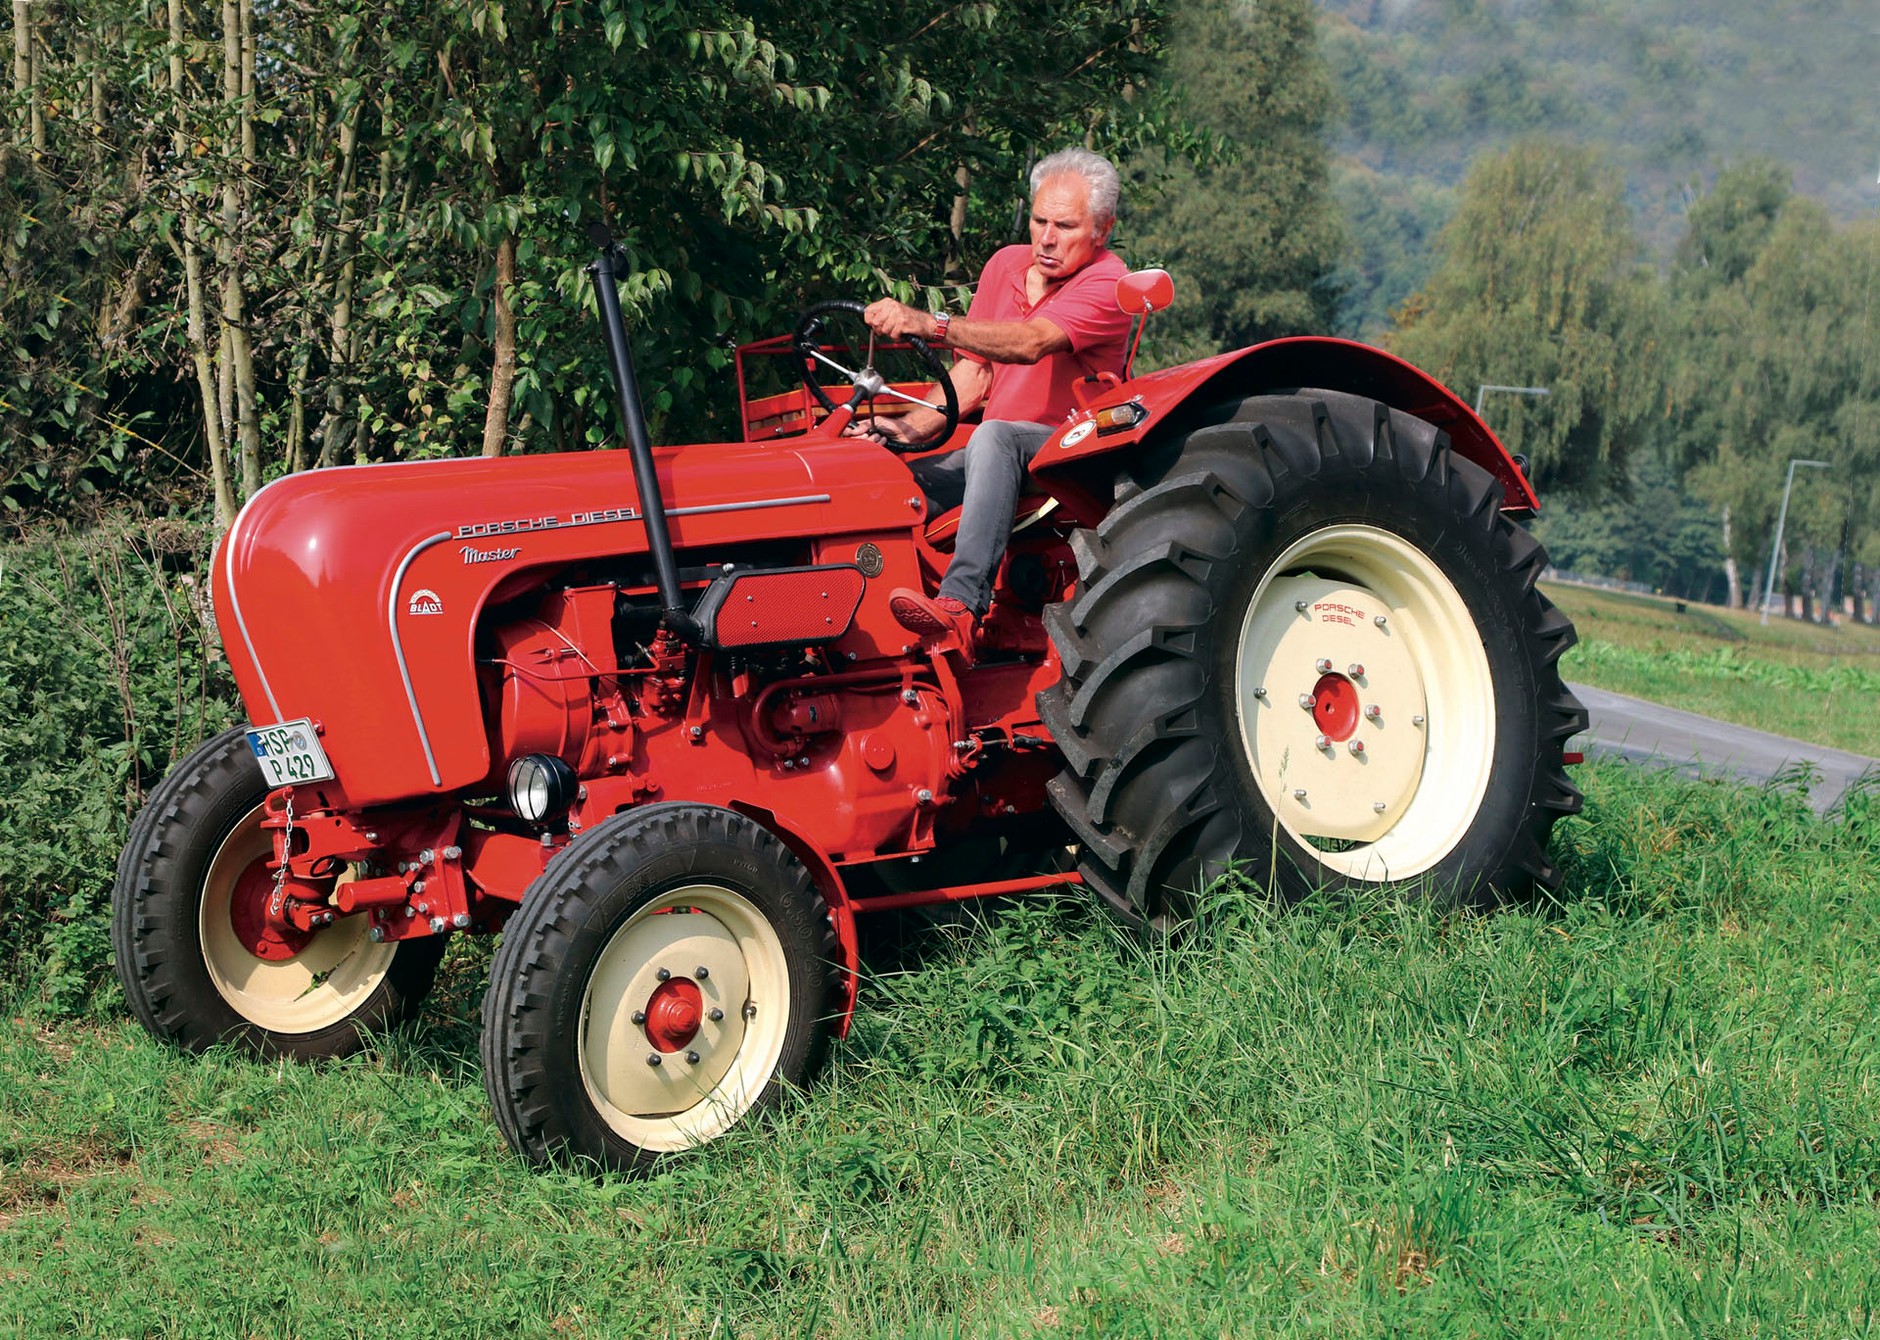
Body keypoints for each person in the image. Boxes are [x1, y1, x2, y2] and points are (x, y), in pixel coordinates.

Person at [848, 147, 1132, 657]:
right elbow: (974, 372)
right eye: (1040, 220)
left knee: (994, 436)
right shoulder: (1004, 264)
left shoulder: (1110, 281)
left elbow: (1030, 343)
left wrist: (927, 322)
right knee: (888, 484)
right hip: (994, 456)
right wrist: (901, 434)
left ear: (1102, 229)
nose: (1046, 238)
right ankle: (857, 634)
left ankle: (961, 606)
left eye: (1065, 226)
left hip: (1069, 453)